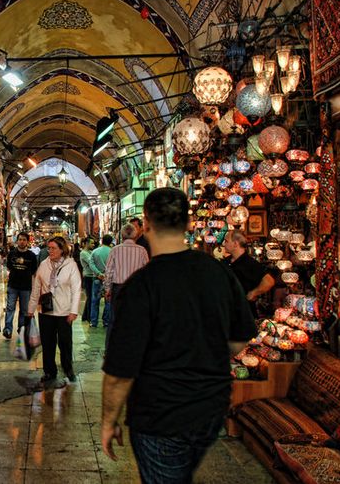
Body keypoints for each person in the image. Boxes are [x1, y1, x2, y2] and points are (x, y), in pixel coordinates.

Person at [101, 187, 256, 483]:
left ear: (145, 225)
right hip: (210, 410)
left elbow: (121, 371)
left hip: (160, 415)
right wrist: (204, 353)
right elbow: (240, 339)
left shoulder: (140, 287)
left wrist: (109, 420)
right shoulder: (218, 273)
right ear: (188, 224)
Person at [28, 236, 82, 384]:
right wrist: (31, 308)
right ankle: (49, 371)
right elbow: (37, 287)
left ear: (62, 249)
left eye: (53, 248)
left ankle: (68, 368)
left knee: (65, 343)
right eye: (49, 248)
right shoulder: (44, 265)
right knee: (47, 343)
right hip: (46, 311)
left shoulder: (71, 266)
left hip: (64, 312)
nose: (50, 251)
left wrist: (74, 311)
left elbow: (76, 289)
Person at [103, 223, 148, 347]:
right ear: (135, 235)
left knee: (114, 319)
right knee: (135, 319)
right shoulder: (142, 250)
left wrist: (107, 289)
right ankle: (133, 347)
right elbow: (146, 272)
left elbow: (109, 272)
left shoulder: (115, 250)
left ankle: (111, 349)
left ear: (122, 236)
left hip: (118, 288)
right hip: (136, 290)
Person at [222, 229, 275, 317]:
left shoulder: (250, 264)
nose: (224, 244)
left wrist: (254, 292)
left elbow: (269, 281)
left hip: (243, 313)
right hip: (227, 311)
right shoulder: (225, 262)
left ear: (235, 244)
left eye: (226, 241)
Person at [3, 232, 38, 339]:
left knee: (24, 310)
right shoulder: (12, 254)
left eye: (24, 240)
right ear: (17, 241)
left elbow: (33, 271)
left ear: (27, 241)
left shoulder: (31, 256)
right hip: (13, 285)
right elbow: (9, 267)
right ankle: (8, 329)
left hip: (26, 287)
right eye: (20, 239)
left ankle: (21, 329)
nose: (22, 241)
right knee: (10, 308)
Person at [88, 234, 113, 328]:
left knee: (95, 301)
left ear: (102, 241)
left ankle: (93, 322)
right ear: (110, 242)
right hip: (109, 279)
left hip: (97, 279)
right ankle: (106, 322)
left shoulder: (95, 251)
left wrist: (98, 273)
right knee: (108, 301)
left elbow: (91, 264)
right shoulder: (112, 252)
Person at [79, 237, 96, 322]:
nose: (93, 245)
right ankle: (88, 317)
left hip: (92, 276)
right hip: (88, 277)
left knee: (90, 297)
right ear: (86, 243)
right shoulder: (83, 253)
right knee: (90, 297)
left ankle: (85, 316)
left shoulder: (90, 252)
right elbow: (91, 262)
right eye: (92, 243)